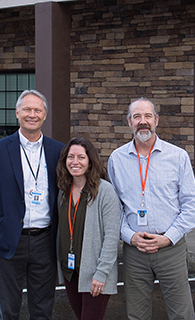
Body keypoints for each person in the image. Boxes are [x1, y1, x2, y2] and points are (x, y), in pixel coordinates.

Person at [107, 98, 195, 320]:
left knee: (182, 313)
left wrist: (169, 238)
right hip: (134, 251)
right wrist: (130, 237)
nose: (143, 122)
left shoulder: (177, 157)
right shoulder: (116, 159)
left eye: (148, 116)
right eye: (137, 117)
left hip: (170, 249)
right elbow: (113, 209)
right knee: (136, 314)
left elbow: (191, 205)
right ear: (129, 122)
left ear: (156, 120)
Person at [0, 89, 65, 320]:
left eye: (37, 110)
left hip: (45, 241)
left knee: (42, 310)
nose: (32, 114)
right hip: (8, 240)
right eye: (27, 109)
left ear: (44, 115)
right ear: (17, 113)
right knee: (7, 310)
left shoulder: (57, 150)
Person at [56, 137, 121, 320]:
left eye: (81, 157)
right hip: (71, 272)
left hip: (95, 273)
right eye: (70, 157)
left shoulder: (104, 191)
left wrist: (101, 274)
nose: (75, 162)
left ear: (90, 161)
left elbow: (112, 236)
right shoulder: (63, 190)